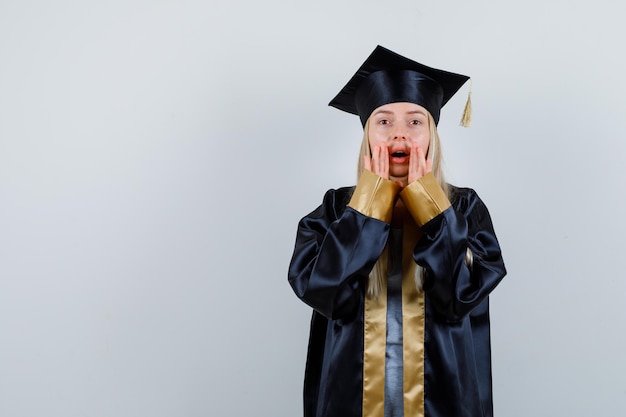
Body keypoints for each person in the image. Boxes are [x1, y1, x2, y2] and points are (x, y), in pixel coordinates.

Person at [288, 45, 507, 417]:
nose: (399, 135)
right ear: (367, 136)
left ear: (432, 134)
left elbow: (458, 299)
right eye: (384, 121)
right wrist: (370, 203)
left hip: (444, 402)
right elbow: (328, 295)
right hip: (350, 401)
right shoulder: (334, 211)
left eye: (415, 121)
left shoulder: (465, 210)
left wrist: (430, 205)